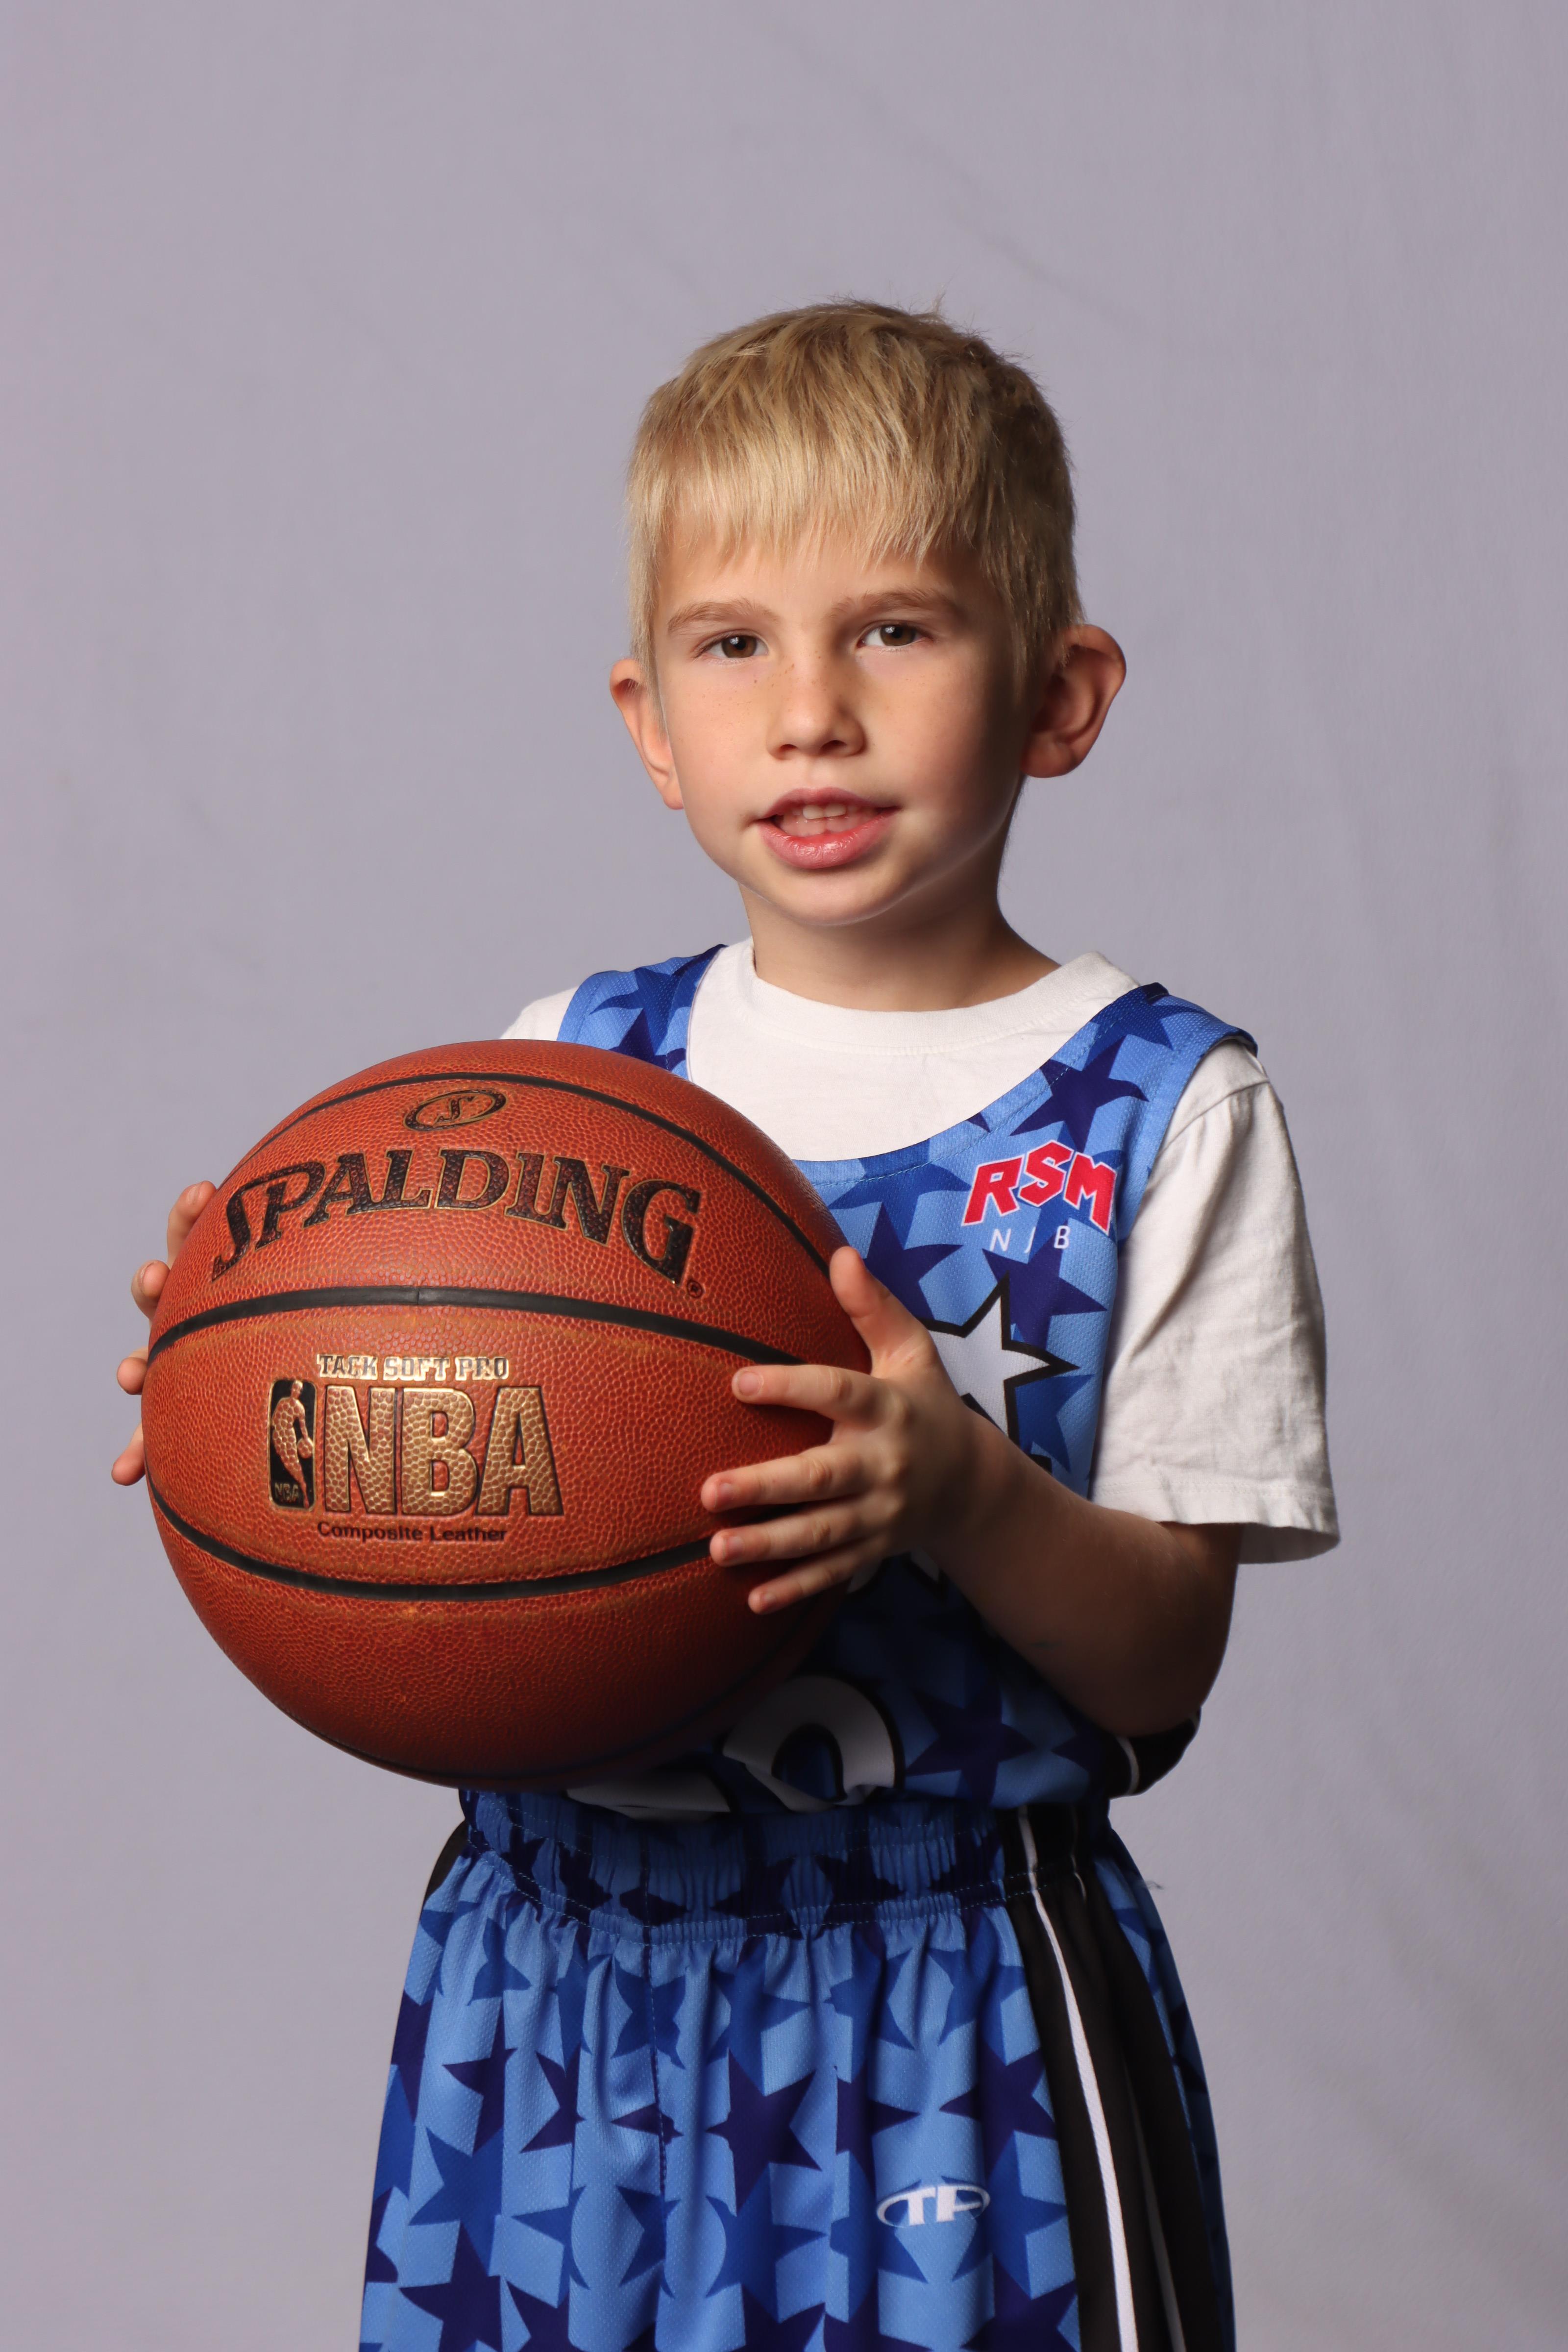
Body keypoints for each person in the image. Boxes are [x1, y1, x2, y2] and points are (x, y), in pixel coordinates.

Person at [114, 301, 1337, 2352]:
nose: (810, 715)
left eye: (896, 631)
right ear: (649, 723)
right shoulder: (555, 1073)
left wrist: (961, 1492)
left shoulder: (1159, 1109)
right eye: (733, 643)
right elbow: (441, 1491)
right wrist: (262, 1383)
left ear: (1058, 694)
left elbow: (1161, 1667)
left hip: (942, 1989)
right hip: (553, 1985)